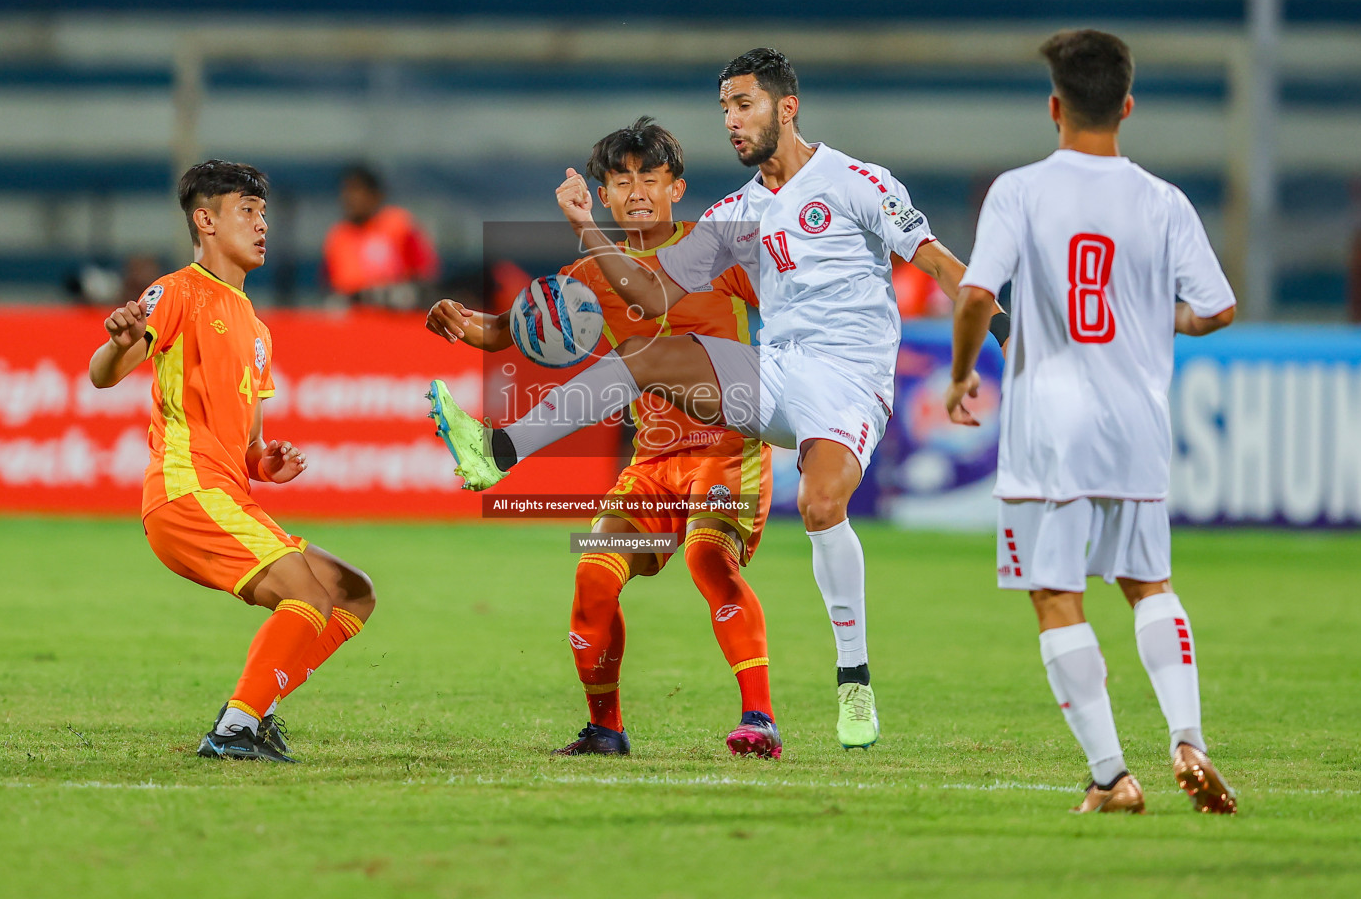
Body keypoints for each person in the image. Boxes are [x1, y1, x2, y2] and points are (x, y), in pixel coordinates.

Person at [429, 49, 1004, 749]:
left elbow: (944, 267)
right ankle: (500, 450)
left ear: (786, 108)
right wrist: (583, 225)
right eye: (725, 108)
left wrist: (997, 346)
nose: (732, 121)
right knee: (644, 358)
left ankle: (852, 679)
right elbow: (650, 294)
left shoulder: (858, 182)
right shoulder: (734, 215)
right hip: (778, 372)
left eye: (745, 105)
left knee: (822, 506)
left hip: (851, 382)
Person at [946, 29, 1238, 814]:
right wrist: (1153, 319)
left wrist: (964, 371)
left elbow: (976, 296)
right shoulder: (1162, 200)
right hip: (1136, 423)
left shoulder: (1021, 190)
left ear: (1055, 107)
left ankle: (1112, 777)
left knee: (1054, 595)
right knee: (1149, 584)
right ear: (1128, 106)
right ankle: (1189, 738)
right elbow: (1218, 308)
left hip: (1050, 424)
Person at [426, 118, 781, 758]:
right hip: (652, 464)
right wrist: (458, 320)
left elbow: (793, 306)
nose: (637, 190)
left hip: (727, 455)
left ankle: (759, 717)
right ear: (604, 195)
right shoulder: (589, 276)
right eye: (622, 179)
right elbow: (509, 330)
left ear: (677, 187)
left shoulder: (718, 250)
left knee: (708, 559)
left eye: (651, 176)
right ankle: (604, 728)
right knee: (594, 573)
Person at [89, 160, 377, 763]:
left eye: (264, 213)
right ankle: (236, 729)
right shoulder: (177, 292)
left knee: (351, 593)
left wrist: (266, 463)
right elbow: (103, 375)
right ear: (206, 220)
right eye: (247, 210)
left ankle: (253, 714)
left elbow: (249, 447)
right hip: (185, 491)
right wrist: (116, 346)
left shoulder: (257, 328)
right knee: (307, 595)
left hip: (226, 493)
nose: (262, 223)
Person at [322, 163, 439, 307]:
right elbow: (330, 286)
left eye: (357, 191)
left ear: (375, 195)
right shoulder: (338, 236)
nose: (350, 198)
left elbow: (425, 275)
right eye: (347, 191)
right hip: (353, 317)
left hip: (395, 314)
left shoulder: (399, 225)